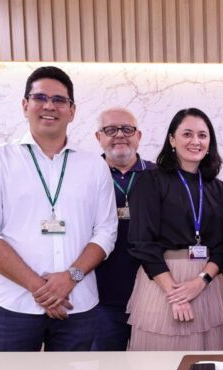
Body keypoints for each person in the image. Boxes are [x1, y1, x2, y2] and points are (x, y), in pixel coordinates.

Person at [0, 66, 117, 351]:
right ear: (25, 105)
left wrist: (70, 278)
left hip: (78, 305)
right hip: (13, 306)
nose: (50, 106)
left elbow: (106, 231)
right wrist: (41, 289)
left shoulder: (94, 166)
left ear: (72, 111)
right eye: (40, 98)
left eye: (59, 100)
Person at [126, 108, 223, 350]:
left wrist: (201, 282)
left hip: (206, 284)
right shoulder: (150, 181)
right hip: (162, 282)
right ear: (172, 140)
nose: (196, 141)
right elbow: (142, 242)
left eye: (202, 135)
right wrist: (174, 294)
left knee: (207, 363)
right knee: (160, 365)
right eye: (187, 134)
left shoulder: (218, 188)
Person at [92, 107, 156, 351]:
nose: (119, 135)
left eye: (127, 129)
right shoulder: (86, 175)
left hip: (152, 294)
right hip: (100, 298)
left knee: (154, 368)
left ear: (138, 135)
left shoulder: (160, 176)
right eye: (110, 129)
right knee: (105, 368)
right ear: (98, 137)